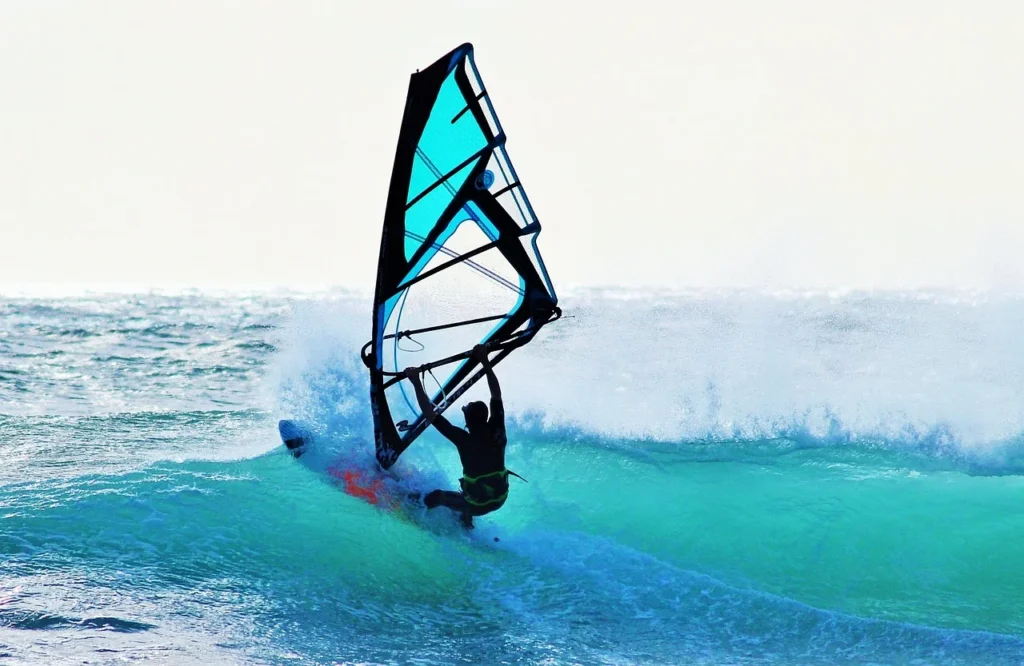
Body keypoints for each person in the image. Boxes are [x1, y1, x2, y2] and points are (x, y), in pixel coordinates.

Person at [405, 344, 512, 528]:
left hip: (477, 504)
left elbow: (430, 414)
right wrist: (485, 360)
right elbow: (496, 393)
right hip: (500, 498)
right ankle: (466, 523)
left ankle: (411, 513)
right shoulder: (497, 429)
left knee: (438, 496)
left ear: (468, 421)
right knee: (471, 491)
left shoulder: (464, 440)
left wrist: (415, 381)